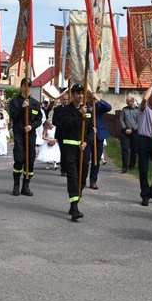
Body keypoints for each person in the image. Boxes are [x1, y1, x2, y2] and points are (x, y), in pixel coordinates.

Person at [53, 84, 94, 221]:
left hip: (83, 149)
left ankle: (75, 201)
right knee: (73, 177)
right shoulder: (65, 110)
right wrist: (78, 114)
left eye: (82, 93)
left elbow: (90, 130)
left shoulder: (88, 110)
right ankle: (74, 206)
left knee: (82, 179)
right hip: (69, 149)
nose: (80, 96)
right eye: (77, 93)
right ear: (72, 95)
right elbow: (64, 125)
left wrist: (86, 142)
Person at [8, 78, 43, 197]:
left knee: (30, 161)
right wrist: (22, 108)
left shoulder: (34, 103)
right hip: (19, 134)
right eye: (25, 85)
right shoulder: (15, 102)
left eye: (30, 86)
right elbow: (14, 117)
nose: (27, 88)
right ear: (22, 86)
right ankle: (16, 184)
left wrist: (31, 126)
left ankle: (26, 185)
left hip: (30, 135)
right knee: (19, 159)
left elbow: (39, 119)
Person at [85, 90, 112, 190]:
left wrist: (98, 98)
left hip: (98, 135)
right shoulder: (84, 107)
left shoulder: (99, 106)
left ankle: (93, 181)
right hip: (87, 136)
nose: (91, 100)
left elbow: (109, 107)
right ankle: (82, 178)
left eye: (92, 98)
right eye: (89, 98)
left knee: (96, 159)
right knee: (85, 159)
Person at [119, 95, 139, 173]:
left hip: (134, 132)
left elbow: (139, 122)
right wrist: (125, 129)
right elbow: (121, 120)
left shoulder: (138, 110)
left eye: (128, 102)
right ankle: (125, 166)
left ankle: (132, 165)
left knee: (134, 149)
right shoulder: (124, 110)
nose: (127, 103)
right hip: (125, 132)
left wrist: (133, 129)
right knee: (125, 149)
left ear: (132, 101)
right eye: (126, 102)